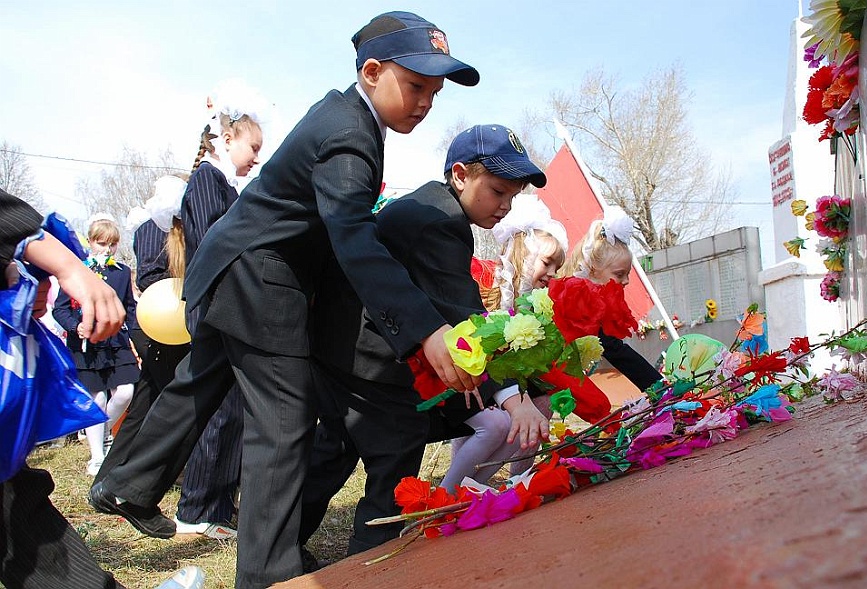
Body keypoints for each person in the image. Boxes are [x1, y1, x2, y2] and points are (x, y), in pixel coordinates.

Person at [90, 12, 481, 588]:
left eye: (435, 92)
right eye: (416, 85)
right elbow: (353, 238)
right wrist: (426, 328)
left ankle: (127, 482)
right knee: (282, 421)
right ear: (371, 73)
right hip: (259, 277)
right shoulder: (353, 135)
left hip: (235, 269)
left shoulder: (346, 119)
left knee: (204, 379)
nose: (426, 102)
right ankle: (268, 576)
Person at [301, 124, 551, 555]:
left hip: (342, 347)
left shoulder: (435, 207)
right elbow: (464, 315)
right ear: (460, 174)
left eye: (512, 197)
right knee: (397, 448)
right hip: (366, 355)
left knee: (337, 449)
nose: (505, 207)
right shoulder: (440, 221)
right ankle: (375, 555)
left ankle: (280, 550)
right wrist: (513, 400)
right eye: (497, 191)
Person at [0, 188, 204, 589]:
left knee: (13, 503)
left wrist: (12, 269)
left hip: (112, 343)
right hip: (86, 351)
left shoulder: (118, 271)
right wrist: (70, 269)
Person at [171, 87, 263, 540]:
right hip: (213, 306)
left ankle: (216, 505)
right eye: (253, 148)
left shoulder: (223, 183)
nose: (256, 159)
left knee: (231, 408)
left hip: (224, 306)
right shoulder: (208, 181)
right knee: (219, 409)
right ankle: (196, 509)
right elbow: (212, 243)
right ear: (227, 139)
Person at [439, 194, 570, 490]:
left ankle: (476, 485)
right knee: (497, 423)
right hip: (470, 379)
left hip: (504, 385)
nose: (551, 274)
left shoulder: (537, 306)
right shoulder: (488, 286)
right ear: (523, 255)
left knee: (529, 415)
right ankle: (453, 489)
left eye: (556, 268)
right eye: (547, 263)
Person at [95, 177, 191, 488]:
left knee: (143, 406)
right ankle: (139, 479)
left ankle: (107, 480)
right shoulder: (154, 228)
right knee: (173, 406)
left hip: (173, 330)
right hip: (157, 329)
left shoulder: (182, 226)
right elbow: (149, 277)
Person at [53, 216, 139, 476]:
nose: (107, 249)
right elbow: (61, 308)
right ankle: (98, 457)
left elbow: (129, 306)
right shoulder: (77, 270)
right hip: (86, 344)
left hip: (116, 341)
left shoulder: (122, 272)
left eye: (112, 244)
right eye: (102, 243)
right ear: (90, 242)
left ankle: (101, 433)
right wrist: (75, 326)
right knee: (97, 397)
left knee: (125, 392)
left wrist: (135, 333)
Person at [558, 206, 663, 393]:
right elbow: (614, 349)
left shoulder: (591, 299)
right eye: (619, 274)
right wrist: (657, 385)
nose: (627, 281)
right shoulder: (579, 301)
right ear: (592, 269)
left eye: (627, 274)